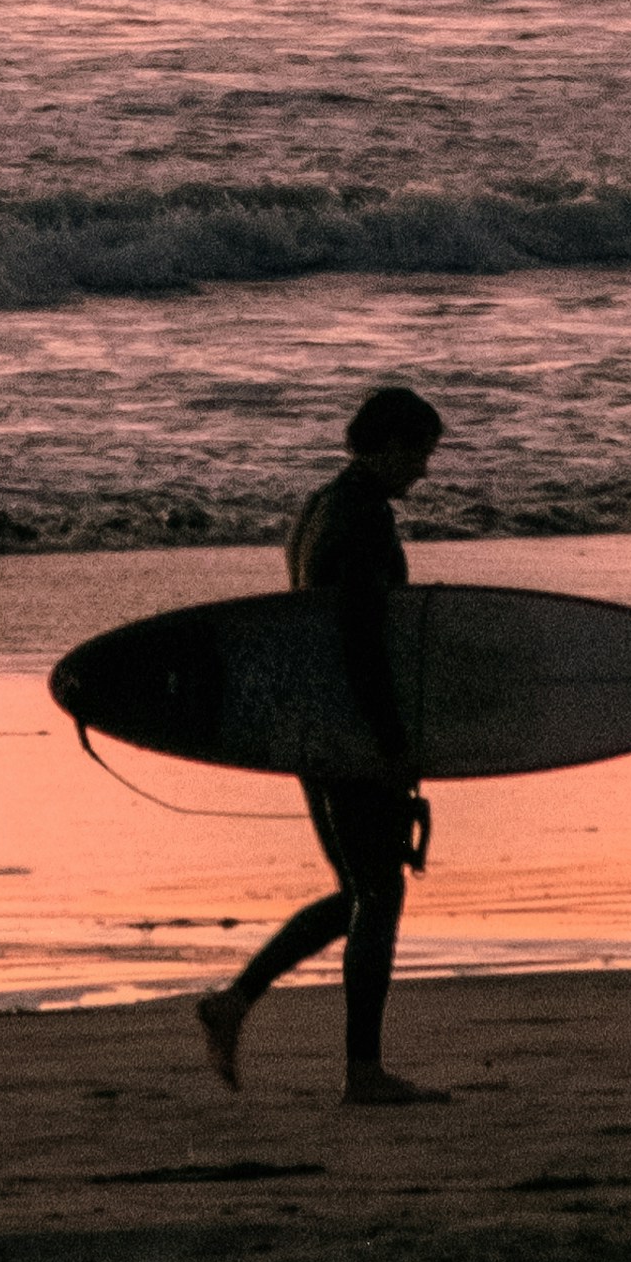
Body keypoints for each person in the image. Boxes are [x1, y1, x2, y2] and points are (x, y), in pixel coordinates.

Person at [198, 383, 446, 1106]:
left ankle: (234, 1003)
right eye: (420, 454)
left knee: (359, 891)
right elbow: (362, 644)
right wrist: (394, 742)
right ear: (387, 445)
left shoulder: (318, 507)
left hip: (311, 724)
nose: (424, 472)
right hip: (348, 729)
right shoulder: (362, 521)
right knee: (378, 890)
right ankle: (363, 1073)